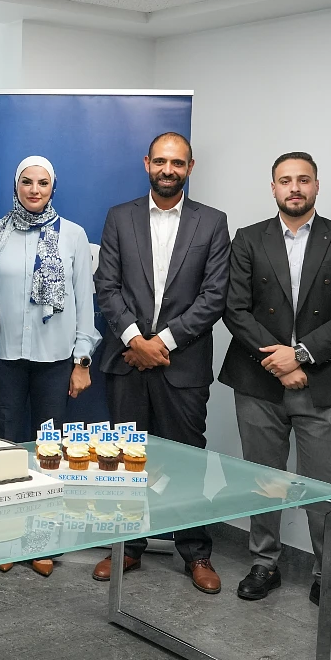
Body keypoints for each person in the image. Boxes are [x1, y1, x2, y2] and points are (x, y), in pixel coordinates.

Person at [220, 152, 331, 629]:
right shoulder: (248, 239)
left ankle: (329, 581)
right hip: (259, 380)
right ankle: (264, 564)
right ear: (272, 188)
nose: (294, 187)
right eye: (285, 180)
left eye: (303, 179)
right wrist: (280, 362)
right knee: (263, 479)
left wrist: (301, 355)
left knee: (326, 489)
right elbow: (234, 308)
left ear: (317, 186)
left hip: (325, 383)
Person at [92, 132, 230, 595]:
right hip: (126, 359)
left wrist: (161, 342)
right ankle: (127, 547)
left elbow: (214, 296)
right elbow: (106, 286)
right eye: (161, 162)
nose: (168, 170)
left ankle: (196, 552)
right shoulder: (119, 217)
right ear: (147, 163)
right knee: (127, 458)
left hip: (182, 363)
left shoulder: (212, 222)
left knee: (187, 460)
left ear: (190, 167)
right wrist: (135, 339)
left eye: (178, 163)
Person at [0, 156, 100, 578]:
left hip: (55, 358)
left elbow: (85, 303)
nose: (35, 190)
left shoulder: (72, 235)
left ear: (54, 187)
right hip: (3, 356)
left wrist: (82, 359)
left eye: (43, 183)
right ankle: (3, 535)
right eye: (27, 182)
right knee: (5, 449)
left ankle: (43, 540)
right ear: (16, 186)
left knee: (48, 454)